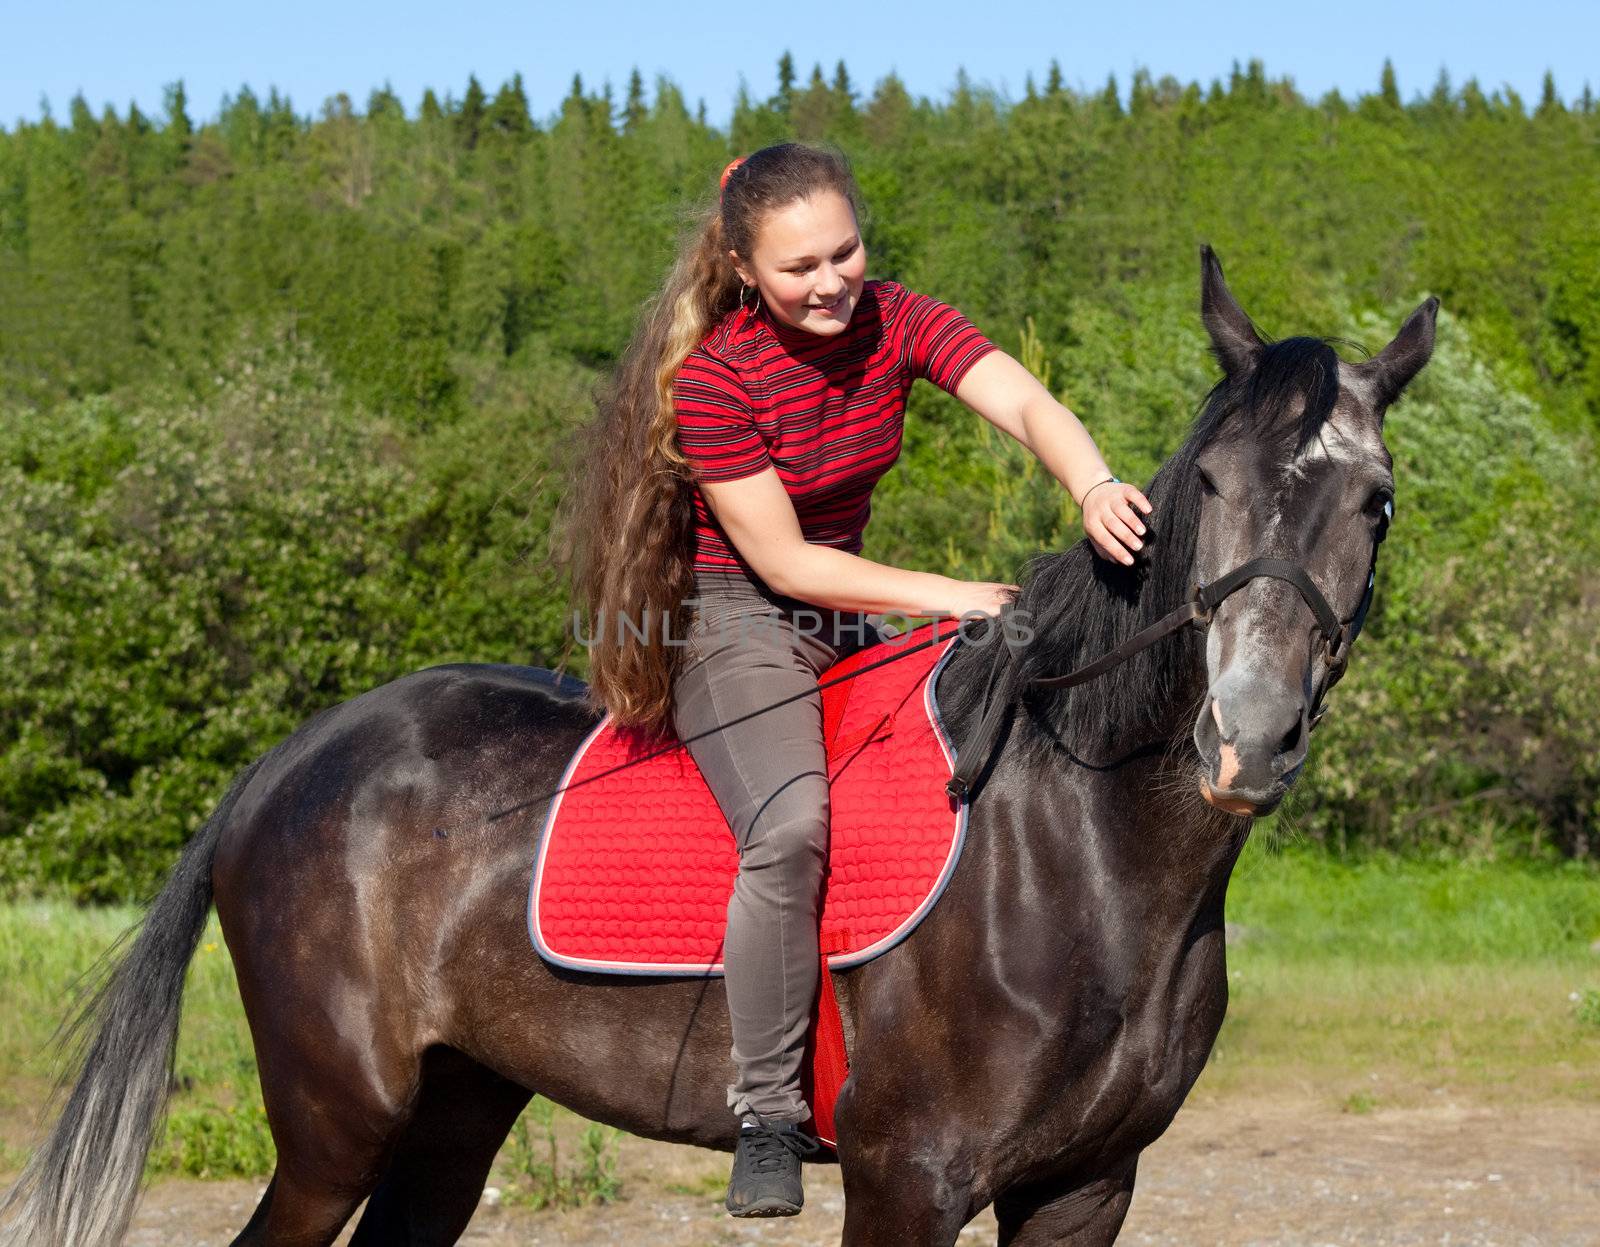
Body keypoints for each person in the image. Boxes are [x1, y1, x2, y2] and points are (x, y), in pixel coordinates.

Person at [553, 141, 1151, 1218]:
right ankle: (769, 1108)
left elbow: (1022, 404)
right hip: (739, 623)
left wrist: (1092, 478)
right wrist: (955, 594)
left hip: (848, 623)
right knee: (788, 828)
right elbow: (784, 563)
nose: (830, 282)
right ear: (741, 266)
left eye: (845, 251)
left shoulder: (897, 317)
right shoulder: (715, 381)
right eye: (798, 268)